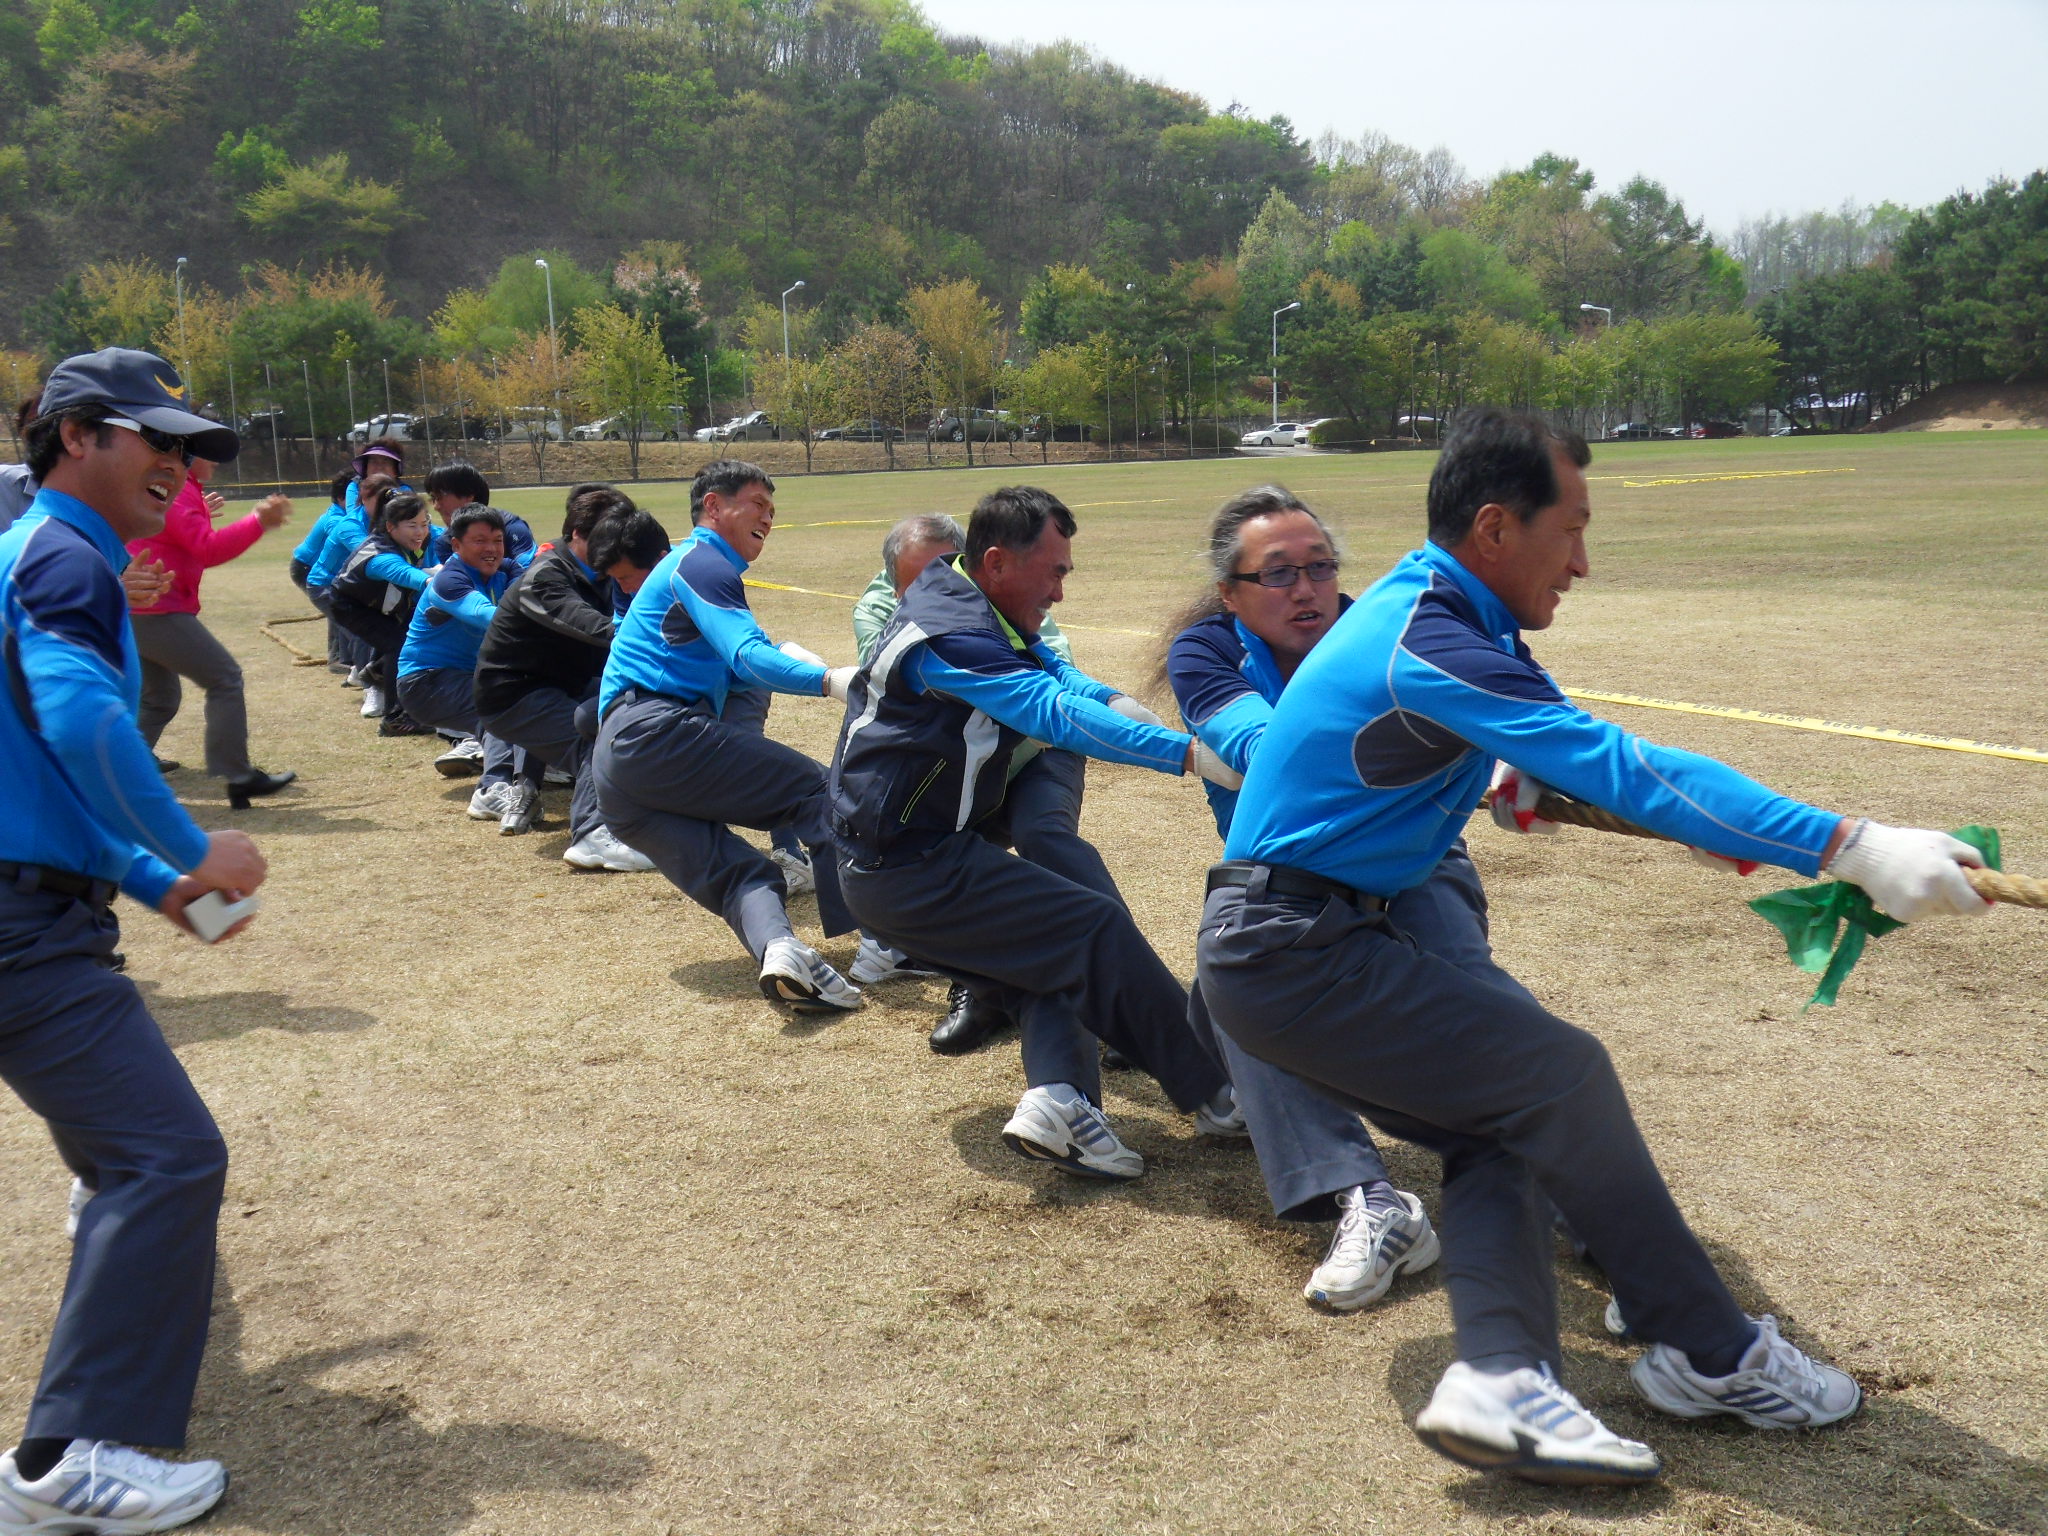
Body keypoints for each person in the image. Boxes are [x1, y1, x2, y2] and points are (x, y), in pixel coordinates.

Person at [1196, 407, 1990, 1485]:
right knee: (1559, 1075)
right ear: (1494, 527)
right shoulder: (1427, 634)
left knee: (1503, 1125)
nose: (1580, 562)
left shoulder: (1453, 621)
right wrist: (1851, 844)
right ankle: (1710, 1352)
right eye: (1568, 530)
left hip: (1298, 942)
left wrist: (1514, 772)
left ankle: (1503, 1380)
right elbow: (1620, 763)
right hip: (1295, 945)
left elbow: (1559, 756)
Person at [0, 348, 269, 1531]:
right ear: (75, 435)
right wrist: (193, 845)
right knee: (169, 1158)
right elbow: (79, 724)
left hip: (40, 907)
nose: (178, 464)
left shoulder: (42, 549)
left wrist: (163, 887)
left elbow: (39, 779)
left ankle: (110, 1246)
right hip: (22, 931)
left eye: (187, 448)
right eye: (154, 438)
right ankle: (64, 1462)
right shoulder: (63, 557)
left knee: (128, 1156)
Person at [829, 486, 1246, 1178]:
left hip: (893, 859)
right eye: (1053, 572)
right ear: (996, 562)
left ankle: (1060, 1102)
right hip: (907, 866)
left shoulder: (956, 590)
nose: (1059, 591)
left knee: (1048, 953)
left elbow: (1043, 665)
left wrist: (1110, 697)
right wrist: (1188, 755)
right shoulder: (951, 636)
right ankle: (1220, 1094)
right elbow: (1045, 708)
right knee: (1090, 926)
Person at [1164, 485, 1440, 1313]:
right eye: (1279, 573)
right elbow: (1259, 741)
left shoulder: (1381, 635)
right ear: (1231, 591)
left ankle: (1589, 1205)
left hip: (1409, 869)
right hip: (1283, 879)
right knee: (1238, 971)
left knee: (1474, 1009)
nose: (1308, 589)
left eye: (1321, 568)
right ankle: (1368, 1197)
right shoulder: (1204, 652)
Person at [595, 459, 864, 1012]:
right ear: (714, 506)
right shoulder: (702, 562)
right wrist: (833, 681)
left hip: (618, 775)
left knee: (743, 873)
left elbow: (741, 666)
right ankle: (886, 940)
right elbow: (746, 656)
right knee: (820, 794)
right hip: (655, 732)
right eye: (758, 503)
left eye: (773, 509)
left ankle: (781, 950)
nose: (768, 517)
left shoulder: (691, 568)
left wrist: (790, 660)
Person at [850, 512, 1100, 1047]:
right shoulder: (876, 612)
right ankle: (981, 989)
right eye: (913, 582)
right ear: (891, 583)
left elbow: (1049, 686)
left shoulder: (1005, 600)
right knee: (941, 846)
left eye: (943, 573)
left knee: (1043, 835)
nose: (931, 590)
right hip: (960, 766)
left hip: (1035, 755)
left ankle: (1115, 983)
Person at [474, 485, 665, 859]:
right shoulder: (545, 577)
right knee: (600, 738)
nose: (616, 546)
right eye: (607, 537)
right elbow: (598, 629)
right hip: (514, 695)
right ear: (578, 534)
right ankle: (592, 835)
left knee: (638, 714)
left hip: (564, 682)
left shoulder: (602, 571)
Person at [126, 453, 297, 810]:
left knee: (160, 699)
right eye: (211, 452)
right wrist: (258, 521)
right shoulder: (178, 490)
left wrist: (199, 510)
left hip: (143, 606)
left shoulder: (180, 488)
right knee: (225, 678)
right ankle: (238, 776)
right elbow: (208, 549)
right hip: (156, 606)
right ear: (189, 456)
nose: (218, 461)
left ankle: (115, 774)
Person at [394, 505, 529, 820]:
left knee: (527, 693)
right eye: (479, 541)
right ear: (456, 545)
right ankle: (491, 790)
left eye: (497, 540)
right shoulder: (448, 580)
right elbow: (488, 616)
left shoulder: (507, 570)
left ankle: (533, 762)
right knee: (499, 704)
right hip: (425, 683)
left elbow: (531, 596)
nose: (491, 549)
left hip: (468, 677)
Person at [327, 488, 434, 737]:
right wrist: (435, 580)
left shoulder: (412, 540)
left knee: (418, 631)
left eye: (424, 523)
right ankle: (395, 718)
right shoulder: (379, 556)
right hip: (351, 606)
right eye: (412, 525)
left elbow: (446, 535)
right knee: (399, 645)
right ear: (390, 527)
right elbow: (407, 575)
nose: (420, 532)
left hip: (381, 601)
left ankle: (377, 670)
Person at [422, 460, 536, 570]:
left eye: (440, 497)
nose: (436, 507)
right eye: (433, 498)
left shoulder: (511, 528)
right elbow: (458, 580)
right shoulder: (445, 544)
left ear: (468, 495)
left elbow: (529, 575)